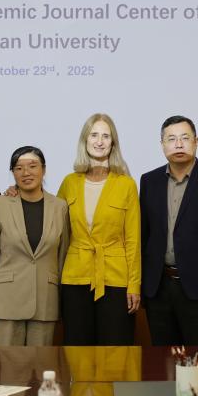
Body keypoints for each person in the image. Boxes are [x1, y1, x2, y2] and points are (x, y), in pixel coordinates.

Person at [140, 115, 198, 345]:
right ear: (162, 144)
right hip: (158, 287)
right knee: (162, 358)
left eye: (185, 138)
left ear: (196, 142)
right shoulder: (149, 181)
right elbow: (144, 235)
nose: (178, 144)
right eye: (171, 139)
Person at [57, 114, 141, 345]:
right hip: (75, 277)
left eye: (106, 136)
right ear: (85, 140)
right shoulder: (69, 182)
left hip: (116, 279)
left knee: (115, 349)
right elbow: (53, 223)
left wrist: (134, 284)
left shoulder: (126, 184)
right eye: (94, 135)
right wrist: (17, 192)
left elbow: (133, 239)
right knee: (77, 349)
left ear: (113, 143)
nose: (100, 141)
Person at [0, 147, 69, 346]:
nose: (26, 172)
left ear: (44, 169)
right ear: (13, 173)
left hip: (46, 302)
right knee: (6, 363)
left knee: (39, 363)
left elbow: (62, 258)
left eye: (32, 166)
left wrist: (63, 304)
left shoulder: (60, 207)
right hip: (6, 302)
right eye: (18, 168)